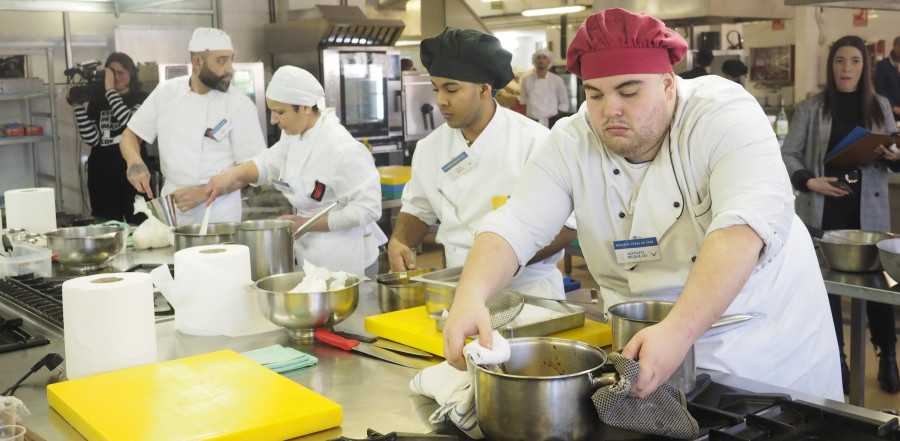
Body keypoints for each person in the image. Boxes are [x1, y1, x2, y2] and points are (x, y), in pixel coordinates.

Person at [441, 8, 843, 402]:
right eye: (594, 95)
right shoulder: (574, 138)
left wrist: (678, 332)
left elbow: (740, 231)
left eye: (628, 92)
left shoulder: (723, 114)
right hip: (641, 348)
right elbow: (516, 223)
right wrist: (470, 295)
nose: (608, 110)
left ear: (669, 84)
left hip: (755, 343)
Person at [387, 27, 576, 300]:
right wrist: (400, 240)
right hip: (458, 288)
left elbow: (566, 227)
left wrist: (497, 263)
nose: (441, 100)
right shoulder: (430, 148)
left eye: (452, 89)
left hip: (529, 295)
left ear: (484, 89)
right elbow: (418, 209)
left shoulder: (535, 142)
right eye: (437, 89)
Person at [782, 35, 900, 395]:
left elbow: (891, 157)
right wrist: (808, 181)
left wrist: (893, 156)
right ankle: (837, 359)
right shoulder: (812, 108)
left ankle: (887, 357)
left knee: (878, 287)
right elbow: (788, 155)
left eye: (854, 62)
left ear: (865, 68)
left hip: (869, 215)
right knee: (825, 291)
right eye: (839, 61)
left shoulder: (880, 107)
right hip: (824, 212)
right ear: (830, 65)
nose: (846, 68)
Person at [204, 66, 386, 276]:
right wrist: (229, 176)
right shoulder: (293, 134)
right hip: (310, 257)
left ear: (307, 107)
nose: (273, 120)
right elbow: (267, 163)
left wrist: (307, 224)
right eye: (271, 110)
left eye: (280, 112)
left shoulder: (342, 149)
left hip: (347, 261)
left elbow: (368, 209)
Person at [120, 27, 266, 225]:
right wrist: (134, 162)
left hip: (218, 214)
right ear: (197, 62)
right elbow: (130, 135)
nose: (230, 69)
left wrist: (202, 194)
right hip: (171, 211)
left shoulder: (239, 104)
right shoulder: (166, 93)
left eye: (231, 59)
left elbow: (252, 169)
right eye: (222, 61)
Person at [69, 52, 148, 223]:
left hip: (133, 173)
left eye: (121, 72)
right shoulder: (98, 101)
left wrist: (110, 91)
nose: (116, 77)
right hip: (101, 173)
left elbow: (130, 123)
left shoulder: (141, 98)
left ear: (131, 74)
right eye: (111, 73)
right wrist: (78, 107)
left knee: (141, 223)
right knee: (107, 226)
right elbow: (92, 139)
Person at [520, 49, 570, 127]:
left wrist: (553, 116)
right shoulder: (526, 80)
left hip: (551, 120)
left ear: (549, 61)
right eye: (539, 57)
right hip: (531, 120)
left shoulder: (557, 80)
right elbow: (523, 101)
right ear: (535, 60)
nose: (541, 60)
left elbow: (564, 103)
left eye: (544, 57)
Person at [874, 36, 900, 122]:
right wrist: (893, 107)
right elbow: (880, 89)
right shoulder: (882, 65)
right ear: (894, 46)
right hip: (889, 112)